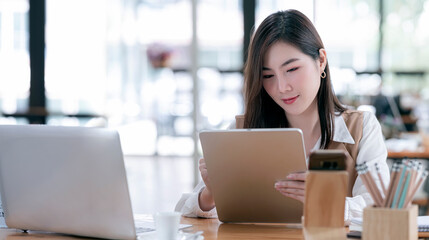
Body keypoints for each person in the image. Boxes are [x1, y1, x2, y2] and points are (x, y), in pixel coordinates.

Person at [175, 9, 389, 224]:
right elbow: (184, 210)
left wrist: (325, 200)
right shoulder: (243, 129)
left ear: (321, 60)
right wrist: (212, 193)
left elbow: (379, 207)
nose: (281, 87)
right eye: (268, 75)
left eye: (292, 69)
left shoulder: (361, 128)